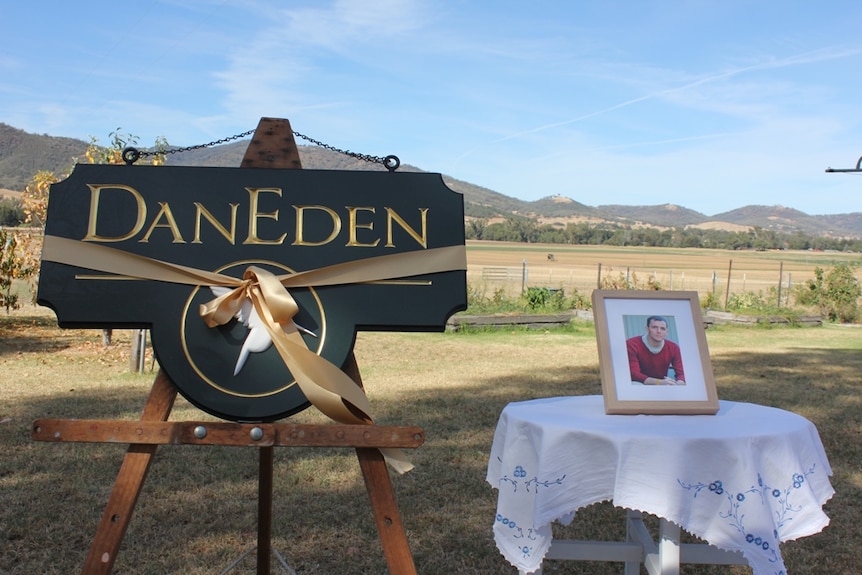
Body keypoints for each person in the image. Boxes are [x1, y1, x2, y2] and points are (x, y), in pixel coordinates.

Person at [626, 315, 685, 385]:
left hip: (662, 385)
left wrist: (677, 384)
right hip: (640, 384)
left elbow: (682, 374)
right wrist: (659, 382)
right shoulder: (631, 344)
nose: (659, 331)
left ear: (667, 332)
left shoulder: (674, 348)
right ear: (647, 329)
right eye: (654, 327)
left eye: (662, 328)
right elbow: (634, 374)